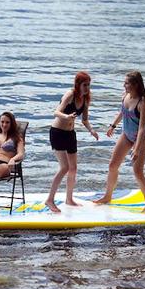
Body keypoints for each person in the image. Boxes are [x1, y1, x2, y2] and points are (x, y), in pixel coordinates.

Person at [94, 71, 145, 212]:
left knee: (137, 171)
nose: (124, 85)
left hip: (141, 137)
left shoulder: (142, 102)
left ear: (135, 85)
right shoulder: (125, 96)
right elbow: (122, 112)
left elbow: (141, 128)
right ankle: (108, 196)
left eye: (126, 83)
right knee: (113, 165)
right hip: (126, 135)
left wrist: (137, 149)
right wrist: (113, 125)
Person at [45, 72, 99, 213]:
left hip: (70, 134)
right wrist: (67, 116)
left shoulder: (86, 99)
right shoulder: (70, 95)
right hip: (57, 132)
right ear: (78, 84)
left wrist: (92, 130)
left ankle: (69, 199)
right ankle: (49, 200)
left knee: (73, 168)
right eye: (84, 85)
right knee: (64, 167)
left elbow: (85, 120)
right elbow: (56, 112)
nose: (87, 88)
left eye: (88, 85)